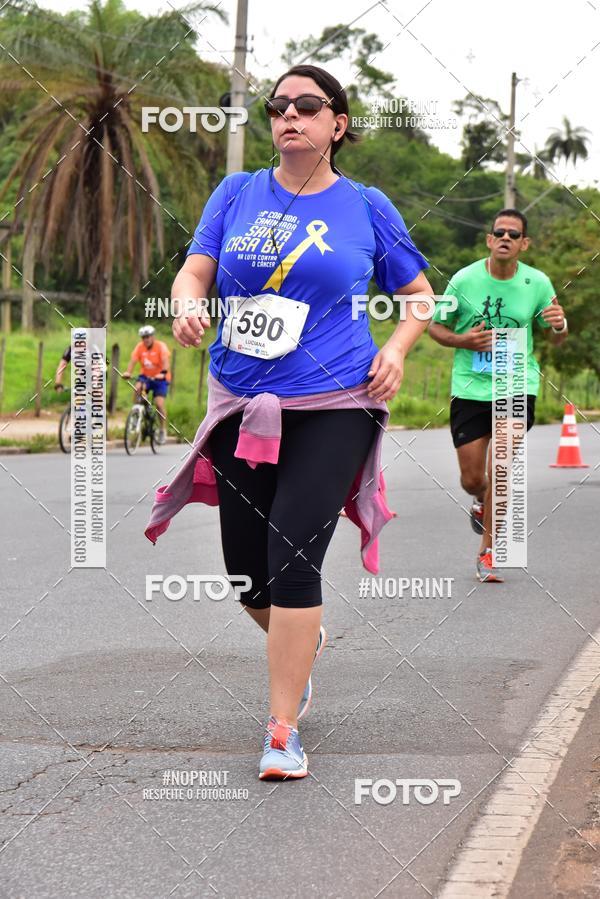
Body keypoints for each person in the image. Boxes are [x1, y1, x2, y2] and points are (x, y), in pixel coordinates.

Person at [144, 65, 433, 780]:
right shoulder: (237, 192)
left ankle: (281, 731)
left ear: (339, 123)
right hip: (245, 404)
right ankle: (302, 644)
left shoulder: (367, 207)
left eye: (308, 106)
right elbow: (195, 269)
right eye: (278, 107)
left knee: (292, 556)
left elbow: (420, 294)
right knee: (249, 578)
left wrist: (396, 348)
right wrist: (187, 303)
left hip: (335, 404)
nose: (289, 116)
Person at [429, 209, 568, 583]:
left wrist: (560, 325)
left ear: (524, 244)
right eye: (499, 232)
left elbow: (555, 335)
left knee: (502, 464)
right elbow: (436, 328)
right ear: (490, 240)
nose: (505, 237)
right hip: (471, 387)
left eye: (514, 234)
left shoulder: (537, 282)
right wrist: (464, 340)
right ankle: (480, 501)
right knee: (473, 478)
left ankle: (488, 552)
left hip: (517, 383)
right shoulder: (465, 279)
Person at [122, 325, 170, 444]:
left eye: (148, 337)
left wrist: (163, 373)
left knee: (159, 404)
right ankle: (136, 413)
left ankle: (162, 429)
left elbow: (165, 362)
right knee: (137, 387)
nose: (145, 339)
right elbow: (133, 361)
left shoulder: (161, 346)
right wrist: (128, 372)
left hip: (160, 378)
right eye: (143, 337)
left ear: (153, 337)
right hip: (146, 377)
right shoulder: (140, 347)